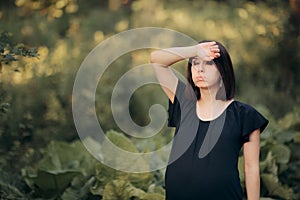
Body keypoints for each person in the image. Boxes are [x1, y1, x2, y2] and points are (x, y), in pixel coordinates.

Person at [150, 40, 268, 200]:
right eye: (195, 63)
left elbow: (251, 168)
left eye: (209, 63)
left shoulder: (245, 115)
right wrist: (194, 50)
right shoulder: (183, 102)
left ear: (223, 71)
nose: (200, 69)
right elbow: (157, 60)